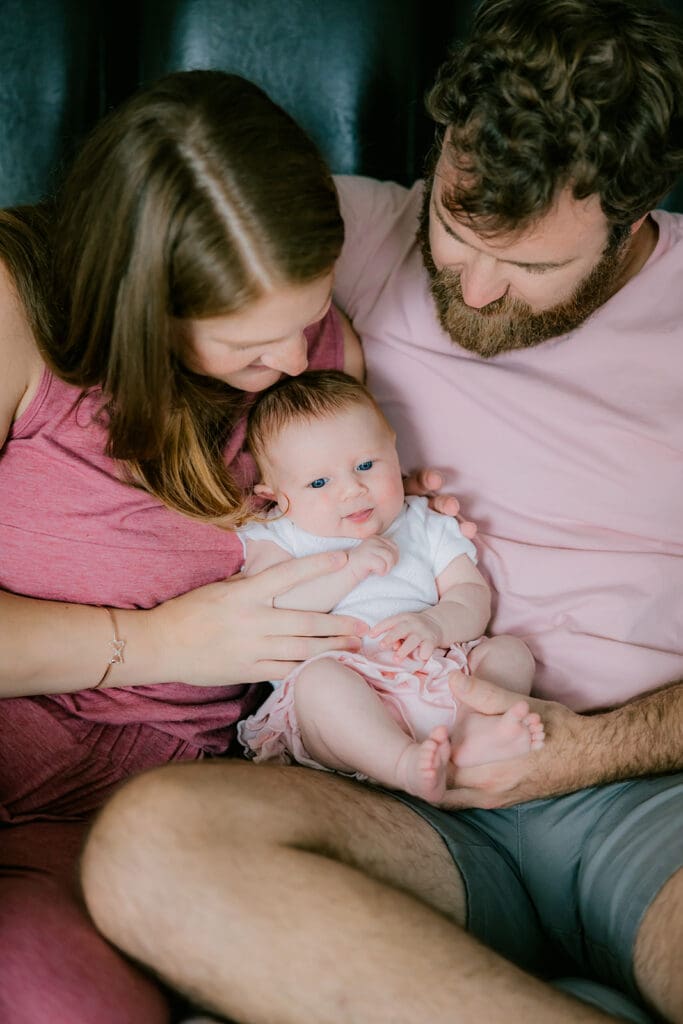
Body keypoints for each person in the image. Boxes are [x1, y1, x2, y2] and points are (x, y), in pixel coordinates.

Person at [79, 2, 683, 1023]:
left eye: (532, 266)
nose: (477, 287)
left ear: (631, 214)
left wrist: (581, 749)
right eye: (457, 230)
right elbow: (109, 258)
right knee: (151, 847)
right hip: (379, 779)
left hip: (631, 789)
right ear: (442, 143)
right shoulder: (340, 237)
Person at [0, 70, 451, 1023]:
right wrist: (158, 645)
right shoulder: (14, 314)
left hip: (176, 809)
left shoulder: (326, 359)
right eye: (248, 347)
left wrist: (394, 524)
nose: (292, 363)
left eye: (308, 315)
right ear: (139, 305)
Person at [237, 369, 544, 804]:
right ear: (275, 494)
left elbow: (471, 597)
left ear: (394, 453)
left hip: (437, 675)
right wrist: (349, 570)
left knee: (511, 652)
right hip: (349, 700)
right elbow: (271, 607)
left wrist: (435, 625)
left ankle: (475, 734)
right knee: (321, 684)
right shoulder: (279, 535)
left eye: (365, 465)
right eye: (319, 483)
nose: (352, 490)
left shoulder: (423, 522)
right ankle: (402, 765)